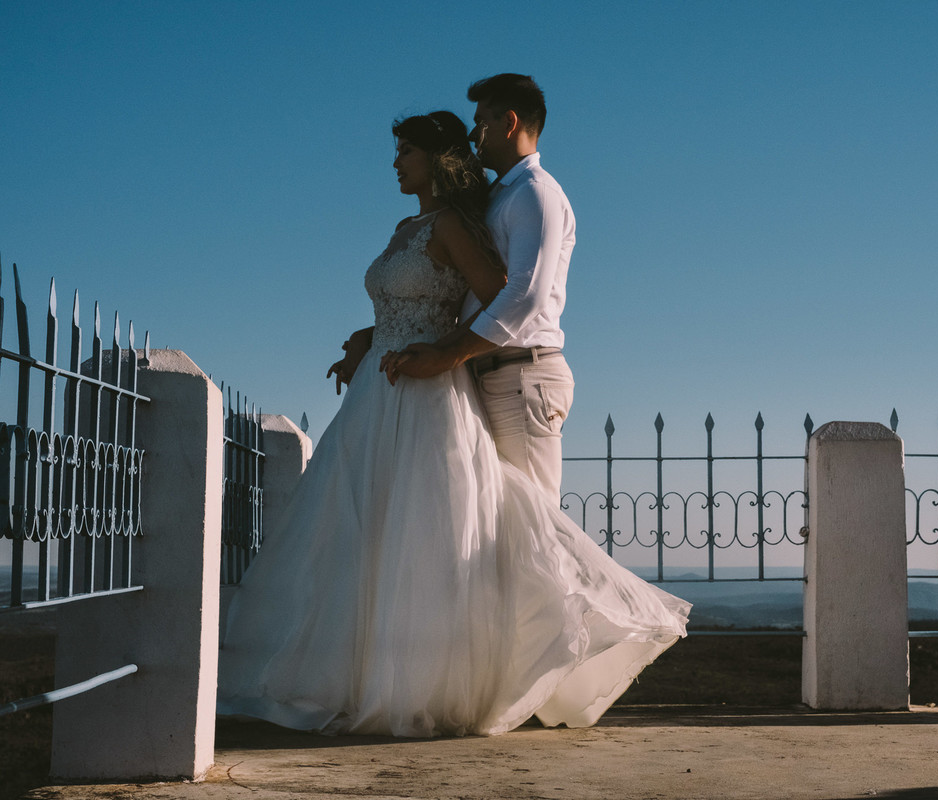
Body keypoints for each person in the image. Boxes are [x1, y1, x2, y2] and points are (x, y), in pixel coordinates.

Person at [217, 110, 689, 739]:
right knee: (367, 530)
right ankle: (356, 678)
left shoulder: (459, 223)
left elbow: (498, 296)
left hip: (429, 390)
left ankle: (449, 677)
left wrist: (434, 347)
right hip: (376, 395)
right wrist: (366, 337)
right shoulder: (404, 226)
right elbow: (401, 300)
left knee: (432, 530)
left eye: (405, 151)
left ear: (435, 161)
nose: (394, 162)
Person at [383, 74, 575, 504]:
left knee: (535, 527)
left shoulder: (536, 193)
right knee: (497, 529)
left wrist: (448, 352)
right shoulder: (499, 197)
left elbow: (525, 294)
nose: (472, 134)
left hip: (520, 376)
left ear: (508, 122)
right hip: (487, 374)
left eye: (480, 121)